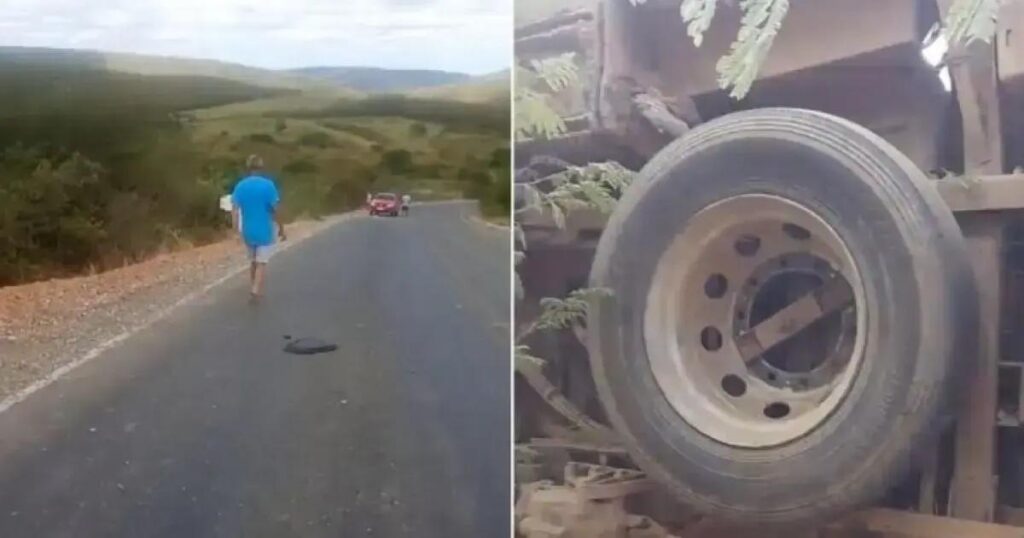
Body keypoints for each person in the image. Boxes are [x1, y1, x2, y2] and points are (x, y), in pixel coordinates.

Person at [232, 154, 286, 301]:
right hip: (264, 229)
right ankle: (255, 289)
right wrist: (281, 227)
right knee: (262, 261)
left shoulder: (240, 186)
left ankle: (253, 286)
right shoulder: (268, 185)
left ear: (248, 168)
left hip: (248, 230)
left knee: (253, 260)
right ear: (261, 168)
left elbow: (235, 210)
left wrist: (236, 230)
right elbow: (276, 209)